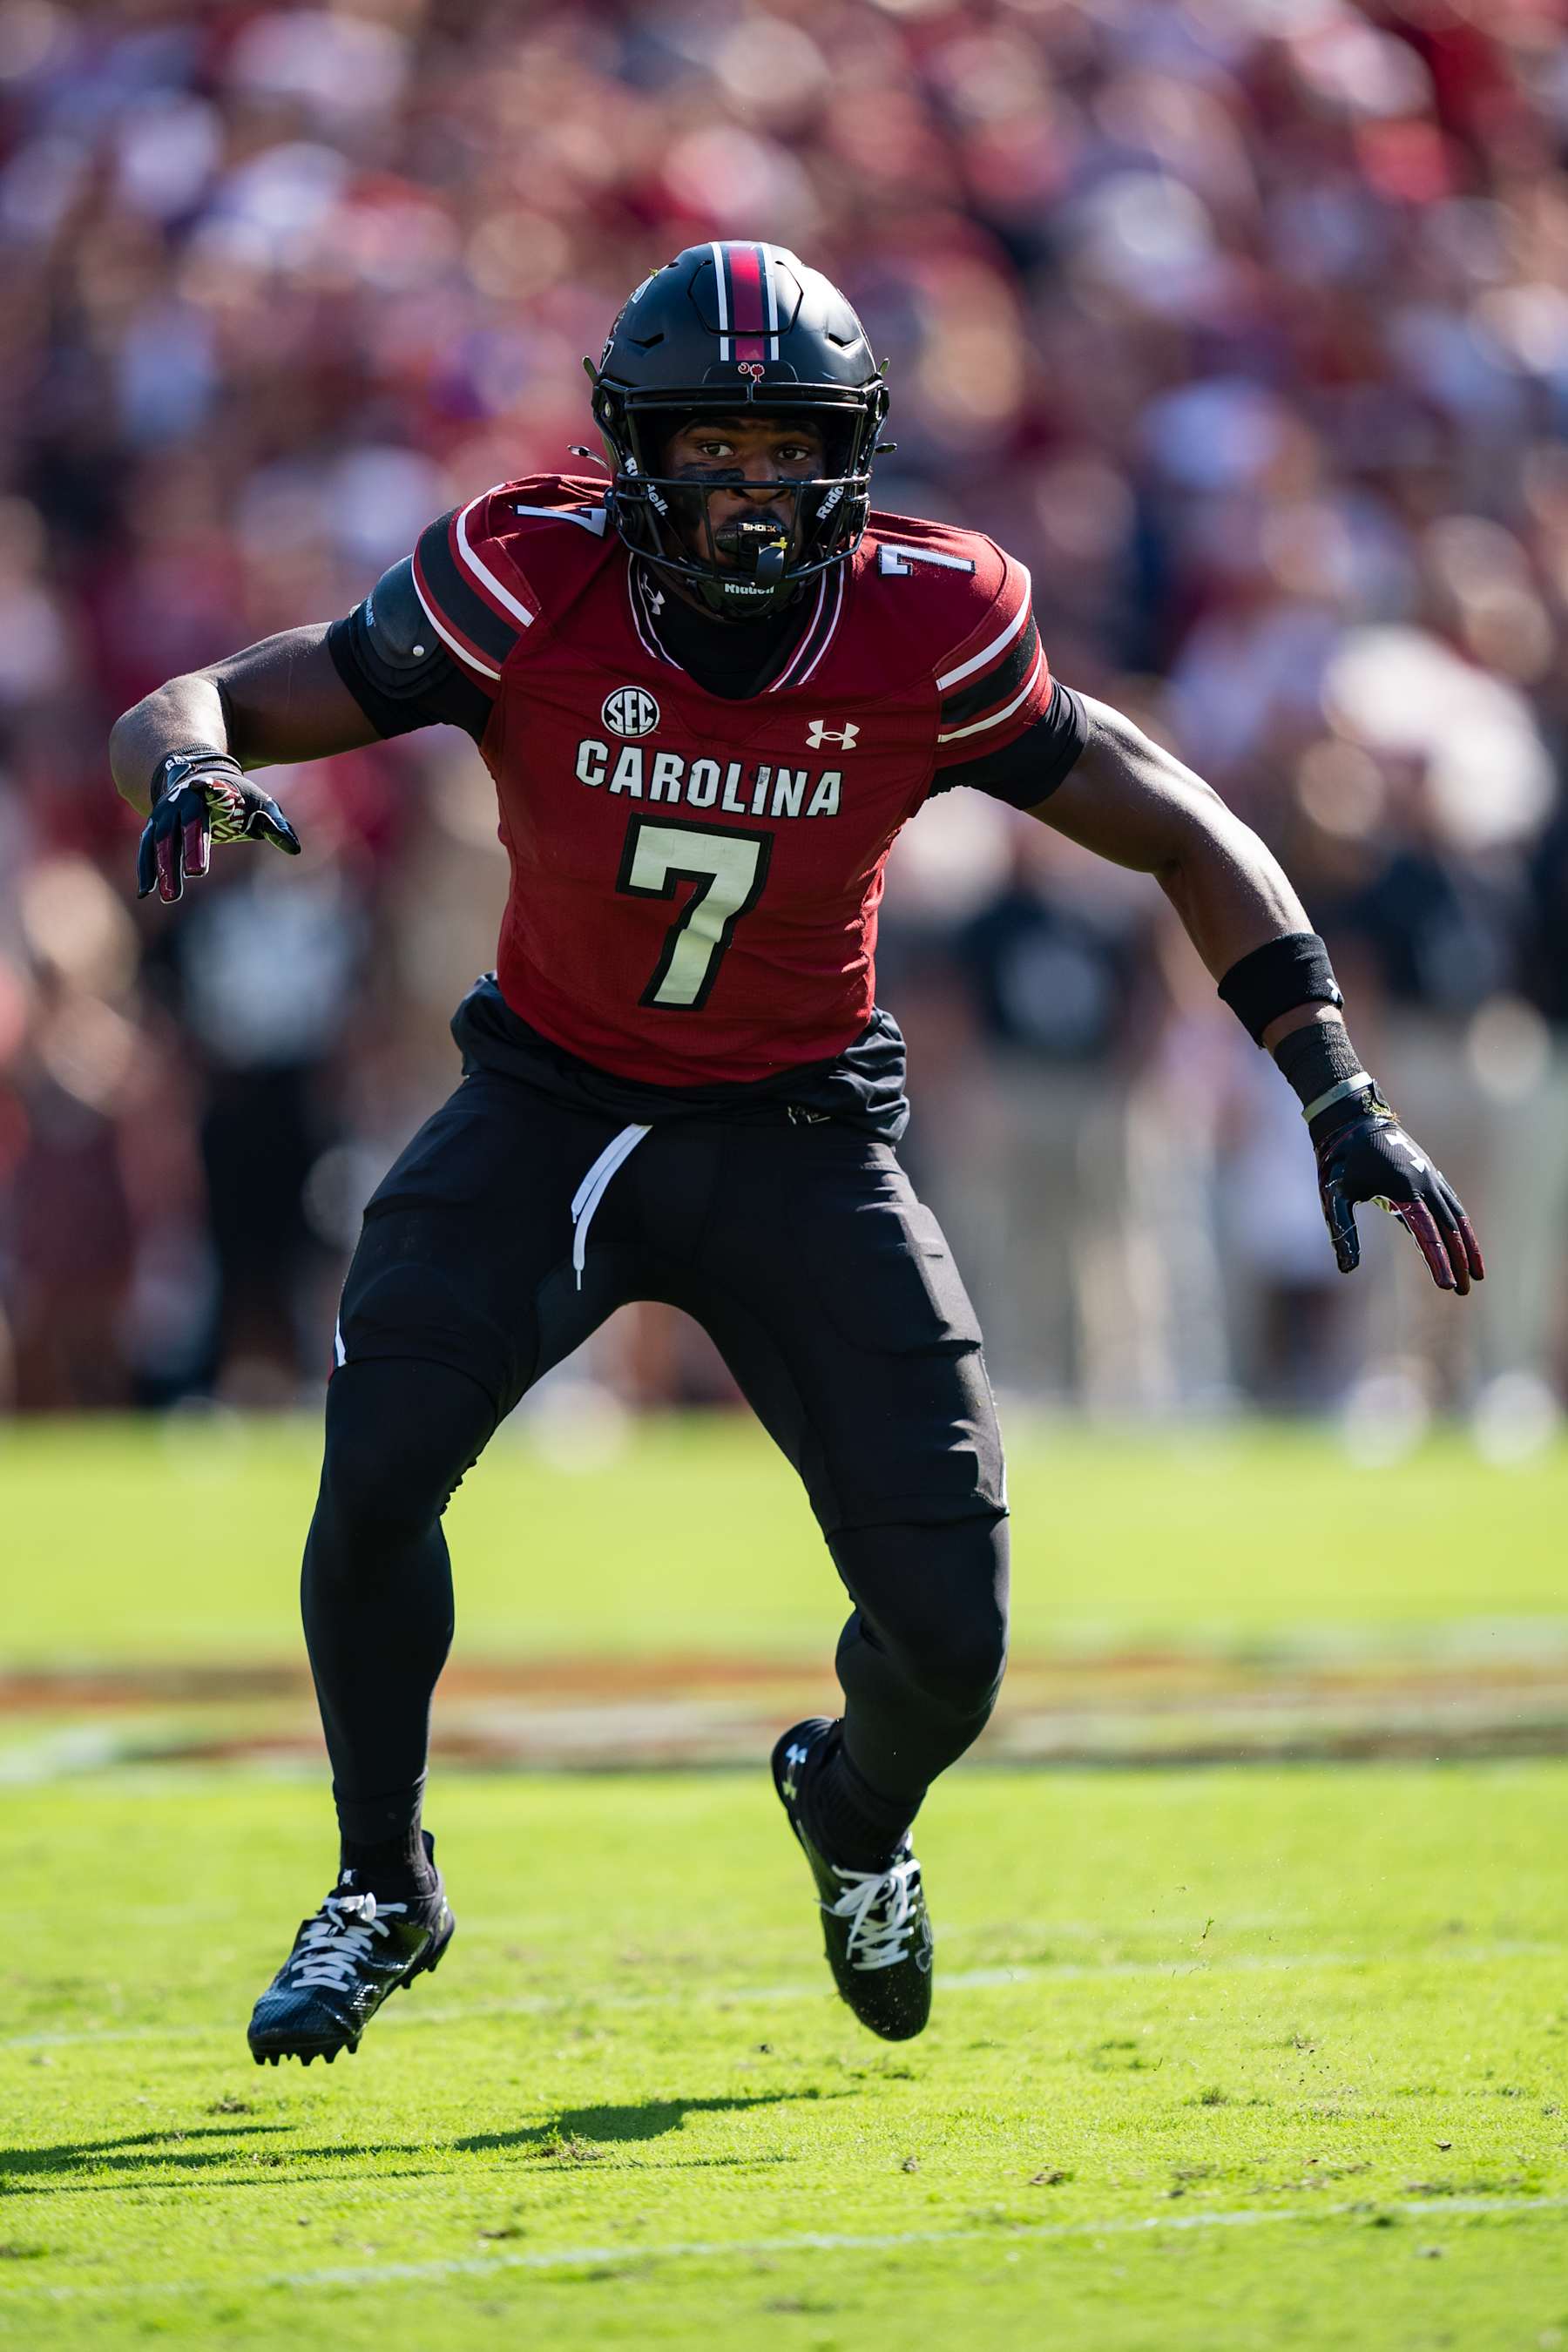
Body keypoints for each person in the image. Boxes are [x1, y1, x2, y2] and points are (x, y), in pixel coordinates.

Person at [110, 242, 1483, 2063]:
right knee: (375, 1470)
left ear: (853, 450)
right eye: (713, 447)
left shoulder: (934, 618)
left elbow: (1176, 822)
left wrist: (1335, 1087)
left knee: (955, 1633)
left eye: (790, 447)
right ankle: (382, 1882)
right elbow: (200, 699)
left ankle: (852, 1811)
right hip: (554, 1105)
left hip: (801, 1126)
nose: (752, 489)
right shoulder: (523, 578)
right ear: (634, 452)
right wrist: (191, 772)